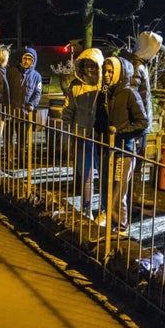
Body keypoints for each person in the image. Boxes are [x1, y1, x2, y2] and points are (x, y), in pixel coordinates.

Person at [94, 56, 149, 238]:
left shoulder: (129, 94)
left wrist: (120, 132)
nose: (107, 75)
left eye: (111, 72)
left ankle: (120, 224)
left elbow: (142, 122)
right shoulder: (104, 93)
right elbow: (99, 120)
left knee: (118, 188)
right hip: (105, 147)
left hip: (123, 149)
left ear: (120, 73)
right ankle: (106, 214)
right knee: (104, 184)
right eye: (105, 71)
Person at [62, 47, 104, 218]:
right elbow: (68, 109)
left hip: (100, 136)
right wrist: (67, 130)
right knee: (86, 175)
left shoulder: (104, 87)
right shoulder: (76, 86)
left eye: (93, 65)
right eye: (86, 65)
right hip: (81, 134)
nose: (90, 69)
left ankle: (103, 209)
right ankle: (87, 208)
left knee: (103, 175)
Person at [123, 31, 163, 205]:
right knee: (133, 163)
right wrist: (139, 124)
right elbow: (133, 99)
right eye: (155, 49)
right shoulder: (136, 67)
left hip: (140, 125)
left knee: (136, 162)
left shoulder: (138, 65)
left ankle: (133, 196)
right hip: (137, 126)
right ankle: (131, 198)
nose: (157, 54)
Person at [6, 47, 42, 168]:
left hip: (24, 113)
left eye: (29, 59)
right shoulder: (11, 72)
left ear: (34, 61)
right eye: (25, 58)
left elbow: (37, 93)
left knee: (22, 141)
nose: (26, 61)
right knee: (8, 139)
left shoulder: (36, 76)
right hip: (10, 112)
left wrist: (31, 104)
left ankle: (21, 162)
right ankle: (9, 161)